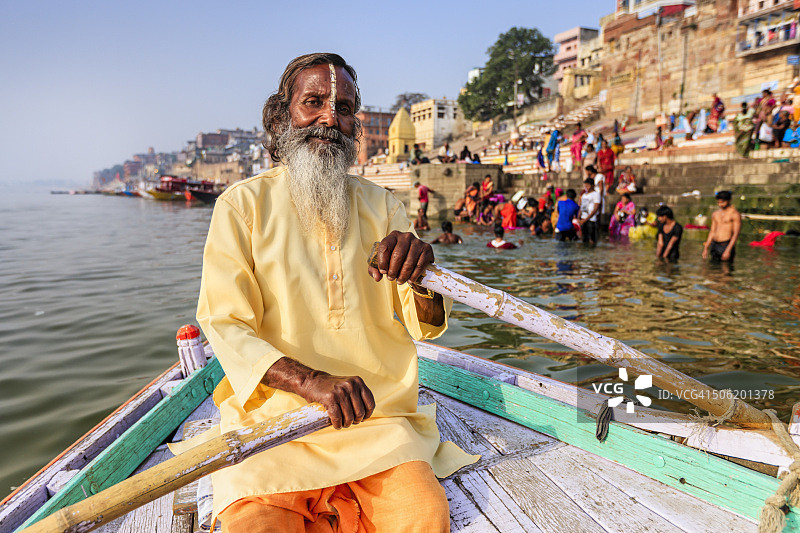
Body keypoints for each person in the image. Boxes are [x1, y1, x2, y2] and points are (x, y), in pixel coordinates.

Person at [197, 53, 473, 533]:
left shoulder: (383, 207)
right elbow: (225, 325)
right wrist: (311, 383)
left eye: (343, 108)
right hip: (277, 428)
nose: (330, 119)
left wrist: (420, 273)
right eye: (315, 102)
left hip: (378, 423)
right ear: (284, 117)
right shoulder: (241, 206)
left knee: (424, 518)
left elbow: (422, 323)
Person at [702, 190, 742, 263]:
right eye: (718, 202)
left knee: (725, 270)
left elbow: (736, 234)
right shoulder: (715, 214)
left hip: (726, 245)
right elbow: (712, 231)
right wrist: (706, 247)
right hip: (714, 245)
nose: (720, 204)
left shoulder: (734, 214)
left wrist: (728, 250)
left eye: (723, 202)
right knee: (712, 270)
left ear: (729, 200)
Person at [579, 177, 602, 245]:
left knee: (592, 240)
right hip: (583, 219)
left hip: (592, 220)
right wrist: (579, 218)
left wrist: (586, 219)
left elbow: (595, 209)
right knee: (584, 239)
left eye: (588, 185)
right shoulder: (583, 195)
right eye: (585, 186)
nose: (586, 187)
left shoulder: (596, 194)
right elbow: (581, 207)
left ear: (592, 185)